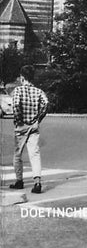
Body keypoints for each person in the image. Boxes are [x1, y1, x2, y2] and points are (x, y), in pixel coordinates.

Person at [9, 65, 48, 194]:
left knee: (17, 154)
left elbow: (15, 106)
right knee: (34, 154)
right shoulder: (39, 91)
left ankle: (19, 181)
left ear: (22, 77)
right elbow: (46, 104)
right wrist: (38, 120)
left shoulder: (17, 90)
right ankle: (37, 182)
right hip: (33, 126)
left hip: (21, 126)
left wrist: (19, 120)